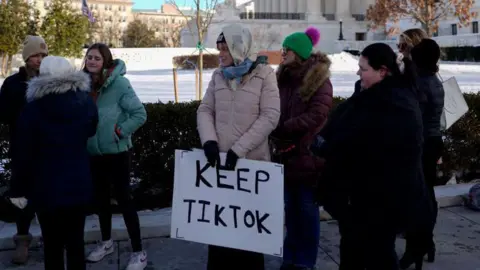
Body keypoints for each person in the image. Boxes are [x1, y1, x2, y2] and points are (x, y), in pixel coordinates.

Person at [310, 43, 433, 270]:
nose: (358, 73)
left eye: (363, 68)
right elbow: (343, 126)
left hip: (381, 201)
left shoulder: (397, 104)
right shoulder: (368, 95)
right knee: (354, 251)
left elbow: (366, 147)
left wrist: (329, 147)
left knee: (379, 254)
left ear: (383, 71)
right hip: (359, 199)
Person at [197, 24, 280, 270]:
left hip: (250, 168)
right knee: (220, 237)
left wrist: (238, 150)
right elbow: (205, 110)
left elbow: (270, 116)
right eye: (219, 48)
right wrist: (209, 141)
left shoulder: (265, 74)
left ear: (239, 48)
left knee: (248, 241)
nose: (220, 54)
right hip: (220, 169)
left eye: (225, 49)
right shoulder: (218, 76)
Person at [9, 56, 98, 270]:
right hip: (78, 183)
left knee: (52, 247)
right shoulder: (85, 101)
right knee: (76, 244)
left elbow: (23, 153)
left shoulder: (33, 108)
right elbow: (91, 130)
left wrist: (18, 189)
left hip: (45, 187)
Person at [271, 27, 332, 270]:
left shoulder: (319, 80)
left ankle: (305, 262)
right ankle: (290, 258)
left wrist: (284, 128)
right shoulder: (282, 78)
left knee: (307, 213)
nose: (282, 53)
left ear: (298, 52)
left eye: (286, 50)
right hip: (285, 157)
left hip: (307, 157)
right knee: (291, 212)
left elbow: (318, 114)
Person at [83, 43, 148, 270]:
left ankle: (139, 251)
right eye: (89, 57)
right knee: (100, 201)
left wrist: (119, 131)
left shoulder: (119, 84)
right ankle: (106, 242)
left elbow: (139, 114)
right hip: (93, 154)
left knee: (124, 201)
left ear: (106, 62)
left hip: (117, 153)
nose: (91, 61)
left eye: (96, 58)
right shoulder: (82, 85)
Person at [0, 35, 48, 265]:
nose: (39, 60)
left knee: (49, 196)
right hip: (21, 151)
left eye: (42, 55)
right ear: (27, 57)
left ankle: (52, 239)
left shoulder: (53, 80)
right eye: (35, 55)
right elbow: (3, 114)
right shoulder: (12, 83)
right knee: (21, 198)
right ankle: (22, 240)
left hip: (49, 150)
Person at [399, 38, 445, 270]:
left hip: (421, 144)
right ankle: (426, 243)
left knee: (418, 198)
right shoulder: (434, 80)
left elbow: (411, 113)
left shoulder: (421, 85)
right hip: (433, 141)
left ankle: (417, 246)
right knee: (427, 195)